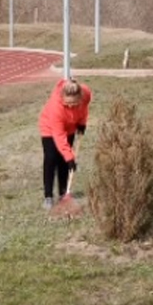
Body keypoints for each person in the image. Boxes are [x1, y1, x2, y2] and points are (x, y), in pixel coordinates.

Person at [37, 77, 92, 210]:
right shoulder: (56, 107)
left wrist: (82, 123)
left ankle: (63, 193)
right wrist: (70, 157)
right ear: (62, 98)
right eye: (67, 104)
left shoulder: (85, 94)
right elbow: (59, 136)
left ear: (80, 97)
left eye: (74, 104)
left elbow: (84, 108)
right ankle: (48, 196)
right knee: (51, 158)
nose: (70, 107)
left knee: (63, 162)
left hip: (70, 127)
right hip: (50, 128)